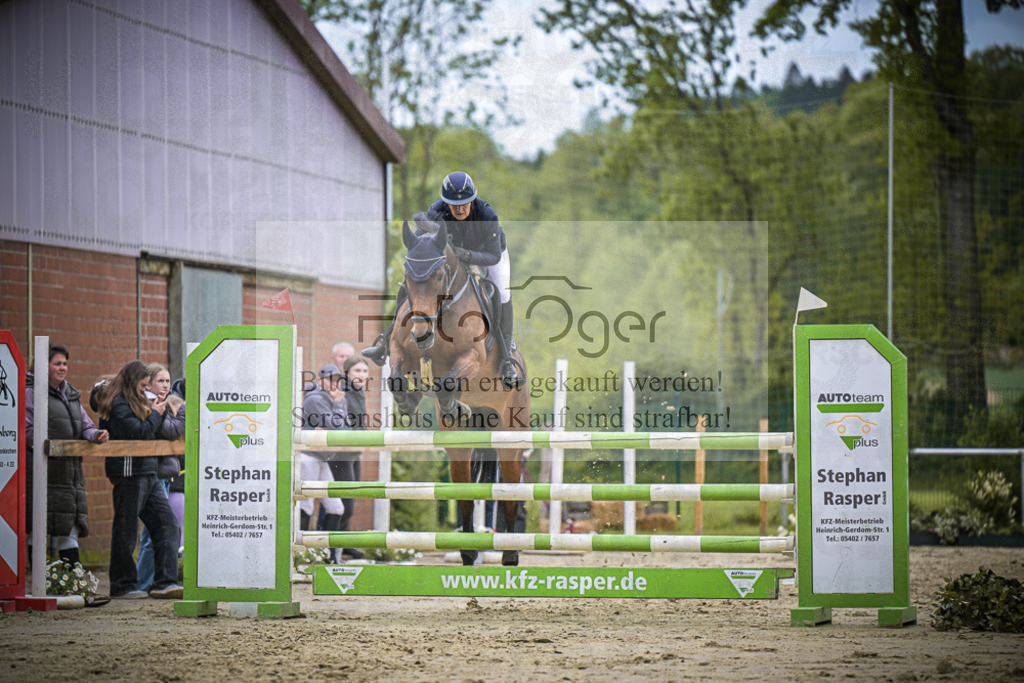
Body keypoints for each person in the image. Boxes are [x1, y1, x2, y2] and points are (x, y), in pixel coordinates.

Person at [361, 171, 520, 387]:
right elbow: (419, 245)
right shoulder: (437, 211)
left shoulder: (487, 215)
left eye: (465, 203)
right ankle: (385, 341)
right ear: (446, 203)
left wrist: (468, 256)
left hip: (487, 254)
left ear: (473, 200)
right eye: (454, 205)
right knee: (411, 281)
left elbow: (493, 257)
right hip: (453, 256)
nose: (460, 209)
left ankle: (506, 354)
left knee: (502, 291)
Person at [97, 360, 182, 599]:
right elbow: (139, 431)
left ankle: (165, 581)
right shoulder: (118, 403)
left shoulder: (137, 400)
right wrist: (155, 414)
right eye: (143, 385)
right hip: (128, 471)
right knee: (126, 529)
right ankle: (123, 584)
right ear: (132, 383)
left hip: (148, 470)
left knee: (167, 523)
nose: (146, 390)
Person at [25, 344, 109, 569]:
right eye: (57, 363)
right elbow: (28, 431)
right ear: (44, 366)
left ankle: (72, 583)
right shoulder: (31, 392)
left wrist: (96, 435)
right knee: (39, 526)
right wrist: (53, 448)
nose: (63, 368)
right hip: (42, 471)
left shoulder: (70, 393)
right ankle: (41, 583)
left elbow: (85, 425)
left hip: (68, 473)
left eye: (65, 363)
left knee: (69, 527)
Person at [135, 363, 185, 593]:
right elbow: (164, 430)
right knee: (151, 533)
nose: (164, 385)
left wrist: (158, 415)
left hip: (165, 473)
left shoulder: (174, 404)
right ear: (149, 385)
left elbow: (173, 430)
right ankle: (144, 582)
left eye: (167, 381)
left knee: (157, 531)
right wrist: (158, 415)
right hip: (152, 473)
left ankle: (148, 582)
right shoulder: (144, 405)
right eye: (159, 381)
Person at [300, 364, 348, 562]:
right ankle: (299, 556)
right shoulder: (315, 399)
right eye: (330, 379)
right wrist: (338, 406)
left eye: (337, 380)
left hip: (321, 458)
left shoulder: (333, 398)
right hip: (308, 457)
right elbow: (339, 428)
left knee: (336, 507)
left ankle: (325, 555)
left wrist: (338, 406)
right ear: (320, 380)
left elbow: (346, 430)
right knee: (306, 506)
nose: (334, 383)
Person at [327, 354, 370, 560]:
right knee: (343, 505)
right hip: (340, 453)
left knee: (349, 504)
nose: (361, 375)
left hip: (355, 452)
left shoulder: (360, 391)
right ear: (347, 372)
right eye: (357, 371)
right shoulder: (342, 390)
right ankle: (331, 549)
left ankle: (342, 545)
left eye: (364, 371)